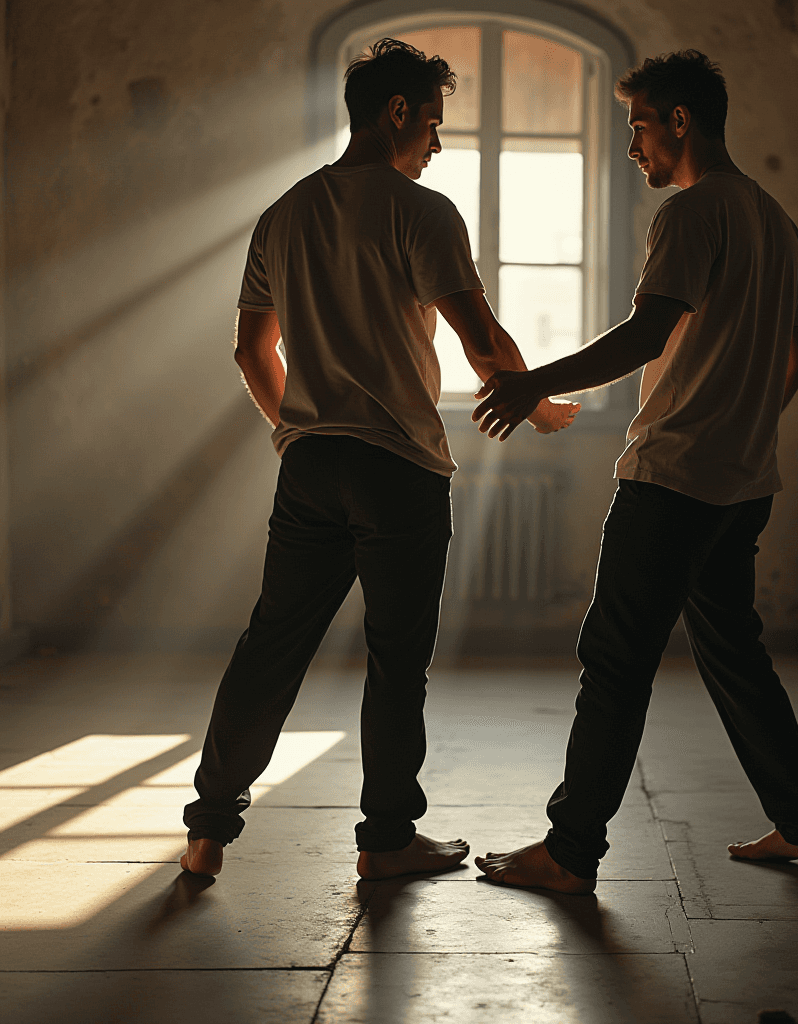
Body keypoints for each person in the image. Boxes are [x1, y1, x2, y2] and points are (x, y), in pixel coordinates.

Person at [180, 38, 579, 879]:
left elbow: (253, 353)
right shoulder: (419, 210)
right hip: (397, 467)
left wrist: (296, 429)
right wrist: (539, 406)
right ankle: (387, 842)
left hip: (310, 465)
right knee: (398, 660)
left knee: (271, 645)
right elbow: (482, 339)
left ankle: (208, 831)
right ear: (397, 112)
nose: (435, 144)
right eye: (432, 124)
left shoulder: (283, 213)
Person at [473, 50, 798, 894]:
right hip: (741, 485)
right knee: (737, 657)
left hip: (671, 478)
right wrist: (742, 428)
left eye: (639, 127)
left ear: (679, 121)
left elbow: (645, 335)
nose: (633, 147)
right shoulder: (777, 223)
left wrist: (532, 382)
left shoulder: (691, 213)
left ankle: (569, 853)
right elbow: (795, 364)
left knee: (615, 659)